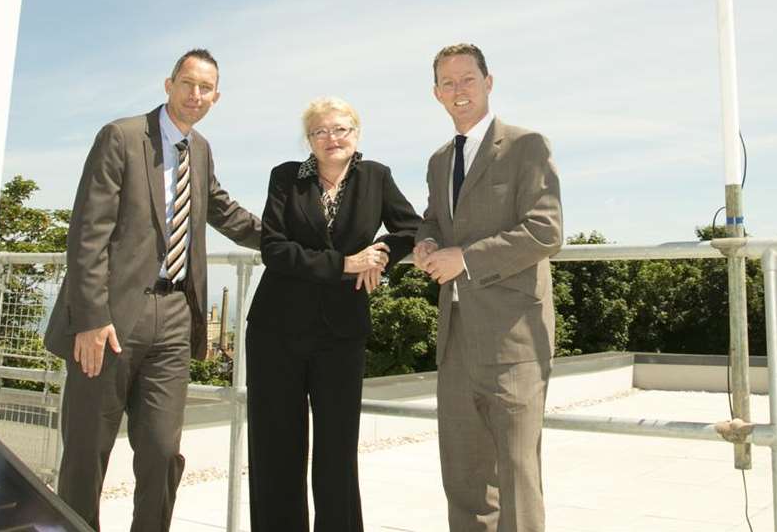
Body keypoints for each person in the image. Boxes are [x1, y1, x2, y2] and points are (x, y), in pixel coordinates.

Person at [43, 49, 262, 532]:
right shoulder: (121, 137)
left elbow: (226, 212)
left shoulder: (200, 150)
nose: (195, 95)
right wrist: (91, 318)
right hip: (111, 318)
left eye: (206, 89)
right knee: (86, 450)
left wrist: (295, 244)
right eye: (187, 83)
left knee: (163, 451)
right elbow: (87, 233)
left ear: (216, 97)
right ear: (168, 84)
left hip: (176, 315)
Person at [246, 97, 421, 532]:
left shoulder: (375, 177)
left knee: (337, 451)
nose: (331, 138)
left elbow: (411, 229)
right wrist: (345, 264)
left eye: (340, 129)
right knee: (276, 449)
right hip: (276, 330)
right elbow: (274, 249)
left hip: (341, 332)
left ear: (356, 133)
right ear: (309, 140)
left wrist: (379, 256)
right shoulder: (286, 178)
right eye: (320, 131)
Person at [413, 43, 563, 532]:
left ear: (488, 82)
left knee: (518, 484)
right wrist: (427, 241)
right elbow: (433, 219)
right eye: (448, 82)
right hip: (455, 341)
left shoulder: (526, 145)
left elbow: (546, 230)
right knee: (464, 481)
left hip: (514, 341)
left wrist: (466, 259)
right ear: (436, 92)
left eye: (468, 79)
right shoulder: (439, 160)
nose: (459, 90)